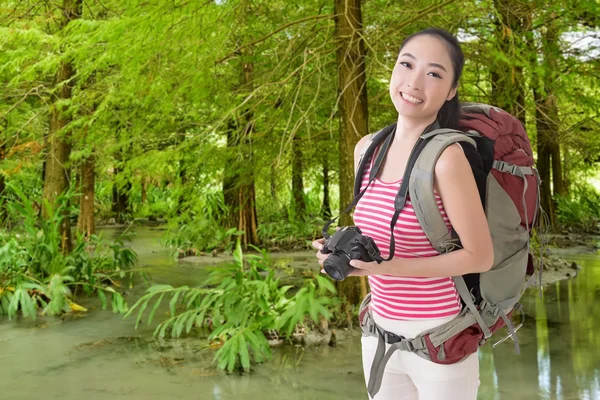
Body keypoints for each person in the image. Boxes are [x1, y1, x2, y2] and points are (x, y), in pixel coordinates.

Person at [312, 28, 494, 400]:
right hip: (379, 336)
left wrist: (386, 268)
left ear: (451, 90)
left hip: (439, 342)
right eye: (406, 64)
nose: (414, 82)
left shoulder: (447, 158)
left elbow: (480, 256)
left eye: (434, 73)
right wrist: (340, 252)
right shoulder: (367, 148)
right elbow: (374, 233)